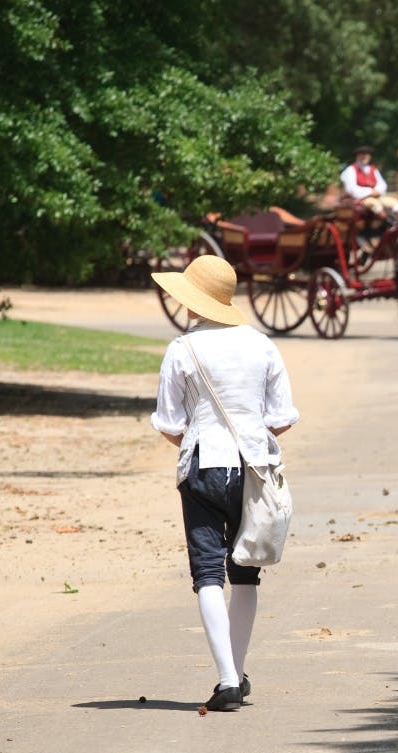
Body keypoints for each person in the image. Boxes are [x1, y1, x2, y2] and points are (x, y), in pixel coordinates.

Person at [150, 255, 299, 711]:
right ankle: (235, 671)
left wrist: (200, 436)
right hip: (254, 467)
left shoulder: (182, 349)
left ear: (191, 300)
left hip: (203, 465)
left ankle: (228, 680)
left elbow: (169, 422)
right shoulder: (262, 345)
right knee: (246, 573)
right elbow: (282, 419)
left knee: (208, 574)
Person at [340, 145, 398, 223]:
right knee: (375, 204)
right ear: (357, 156)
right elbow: (351, 189)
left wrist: (377, 191)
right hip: (359, 199)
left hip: (376, 196)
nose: (365, 156)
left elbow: (382, 184)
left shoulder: (373, 169)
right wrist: (370, 192)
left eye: (367, 154)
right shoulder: (350, 170)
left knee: (393, 202)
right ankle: (389, 224)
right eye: (362, 154)